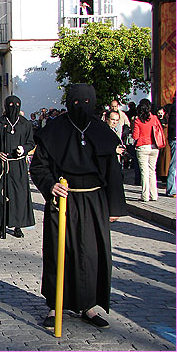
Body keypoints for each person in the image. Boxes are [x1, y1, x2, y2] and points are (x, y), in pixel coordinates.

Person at [30, 84, 127, 329]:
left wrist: (114, 207)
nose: (81, 107)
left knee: (91, 254)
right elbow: (38, 166)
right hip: (62, 200)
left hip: (94, 202)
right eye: (76, 102)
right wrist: (51, 185)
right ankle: (55, 304)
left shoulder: (101, 131)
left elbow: (113, 172)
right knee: (59, 252)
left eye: (86, 102)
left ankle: (89, 305)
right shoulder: (54, 130)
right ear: (69, 102)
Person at [0, 95, 36, 238]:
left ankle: (17, 225)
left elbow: (31, 142)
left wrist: (23, 149)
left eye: (16, 105)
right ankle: (1, 225)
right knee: (2, 195)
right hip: (3, 165)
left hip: (18, 165)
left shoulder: (25, 124)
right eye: (10, 105)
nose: (13, 107)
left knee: (18, 196)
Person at [132, 98, 162, 202]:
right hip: (154, 147)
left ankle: (145, 196)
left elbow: (135, 136)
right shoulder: (154, 118)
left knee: (144, 172)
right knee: (152, 171)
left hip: (142, 147)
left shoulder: (137, 120)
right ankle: (154, 195)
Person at [165, 97, 176, 197]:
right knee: (174, 165)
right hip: (175, 139)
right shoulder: (175, 107)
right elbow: (173, 125)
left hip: (174, 138)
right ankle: (171, 189)